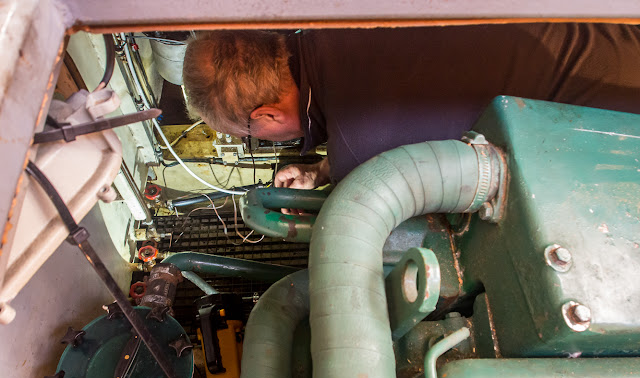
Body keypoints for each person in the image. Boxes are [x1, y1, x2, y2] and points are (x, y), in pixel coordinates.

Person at [183, 24, 640, 190]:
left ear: (265, 116)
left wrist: (338, 169)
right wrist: (322, 170)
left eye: (247, 133)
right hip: (616, 38)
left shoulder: (360, 156)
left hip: (618, 127)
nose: (255, 138)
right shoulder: (340, 17)